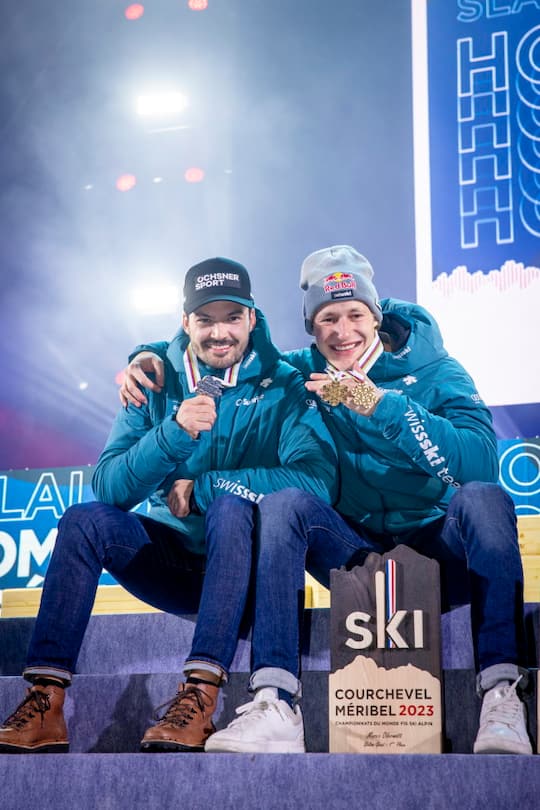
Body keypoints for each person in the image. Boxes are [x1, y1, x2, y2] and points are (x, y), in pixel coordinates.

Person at [120, 245, 533, 756]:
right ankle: (276, 703)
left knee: (486, 498)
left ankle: (501, 697)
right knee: (284, 503)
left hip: (434, 549)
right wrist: (150, 355)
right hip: (352, 552)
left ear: (375, 315)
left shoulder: (438, 371)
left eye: (355, 314)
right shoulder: (302, 375)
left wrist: (381, 406)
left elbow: (479, 464)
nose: (342, 332)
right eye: (326, 318)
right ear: (311, 327)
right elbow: (229, 347)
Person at [0, 256, 337, 755]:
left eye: (231, 317)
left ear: (251, 318)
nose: (218, 332)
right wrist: (174, 433)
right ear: (186, 323)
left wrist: (206, 487)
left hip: (250, 579)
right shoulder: (152, 378)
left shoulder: (285, 386)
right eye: (205, 319)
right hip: (177, 565)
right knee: (84, 521)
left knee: (229, 506)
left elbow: (315, 481)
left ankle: (199, 698)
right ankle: (44, 702)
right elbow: (110, 488)